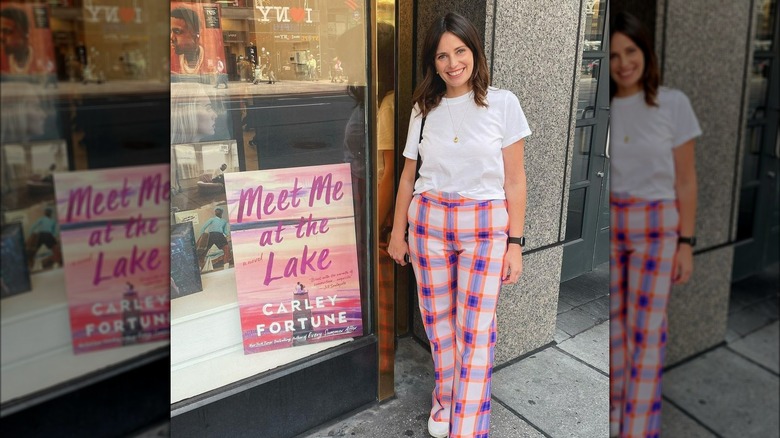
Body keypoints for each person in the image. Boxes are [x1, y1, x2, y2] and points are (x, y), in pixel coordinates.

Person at [386, 12, 531, 438]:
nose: (452, 63)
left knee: (476, 328)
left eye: (460, 51)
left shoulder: (502, 103)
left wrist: (516, 243)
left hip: (485, 225)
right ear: (433, 63)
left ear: (475, 51)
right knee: (438, 323)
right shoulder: (423, 108)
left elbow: (516, 179)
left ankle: (467, 427)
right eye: (442, 55)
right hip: (428, 221)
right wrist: (398, 232)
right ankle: (446, 397)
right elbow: (408, 175)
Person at [608, 12, 701, 438]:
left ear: (645, 52)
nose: (624, 62)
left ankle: (638, 430)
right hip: (615, 220)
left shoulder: (672, 104)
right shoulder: (610, 106)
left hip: (656, 224)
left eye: (631, 51)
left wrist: (686, 241)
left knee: (646, 334)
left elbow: (686, 178)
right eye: (613, 55)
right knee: (616, 335)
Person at [1, 6, 44, 75]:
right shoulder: (3, 62)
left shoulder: (40, 61)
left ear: (25, 33)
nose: (1, 37)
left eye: (7, 31)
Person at [170, 7, 207, 75]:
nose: (171, 37)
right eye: (170, 32)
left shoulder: (209, 59)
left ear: (195, 35)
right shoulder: (171, 60)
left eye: (177, 31)